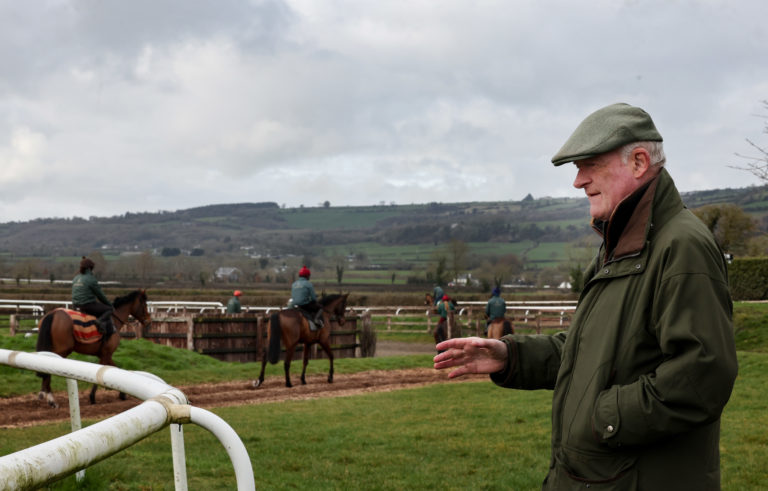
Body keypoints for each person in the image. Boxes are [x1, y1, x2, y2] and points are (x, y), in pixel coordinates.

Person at [434, 103, 738, 490]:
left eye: (589, 165)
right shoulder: (619, 246)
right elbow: (587, 351)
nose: (578, 181)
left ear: (639, 162)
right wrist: (510, 356)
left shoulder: (681, 246)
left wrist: (601, 417)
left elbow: (704, 374)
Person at [71, 256, 115, 337]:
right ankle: (99, 322)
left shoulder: (76, 278)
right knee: (109, 309)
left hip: (75, 305)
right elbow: (100, 295)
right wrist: (109, 304)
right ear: (90, 268)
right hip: (87, 306)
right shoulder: (91, 279)